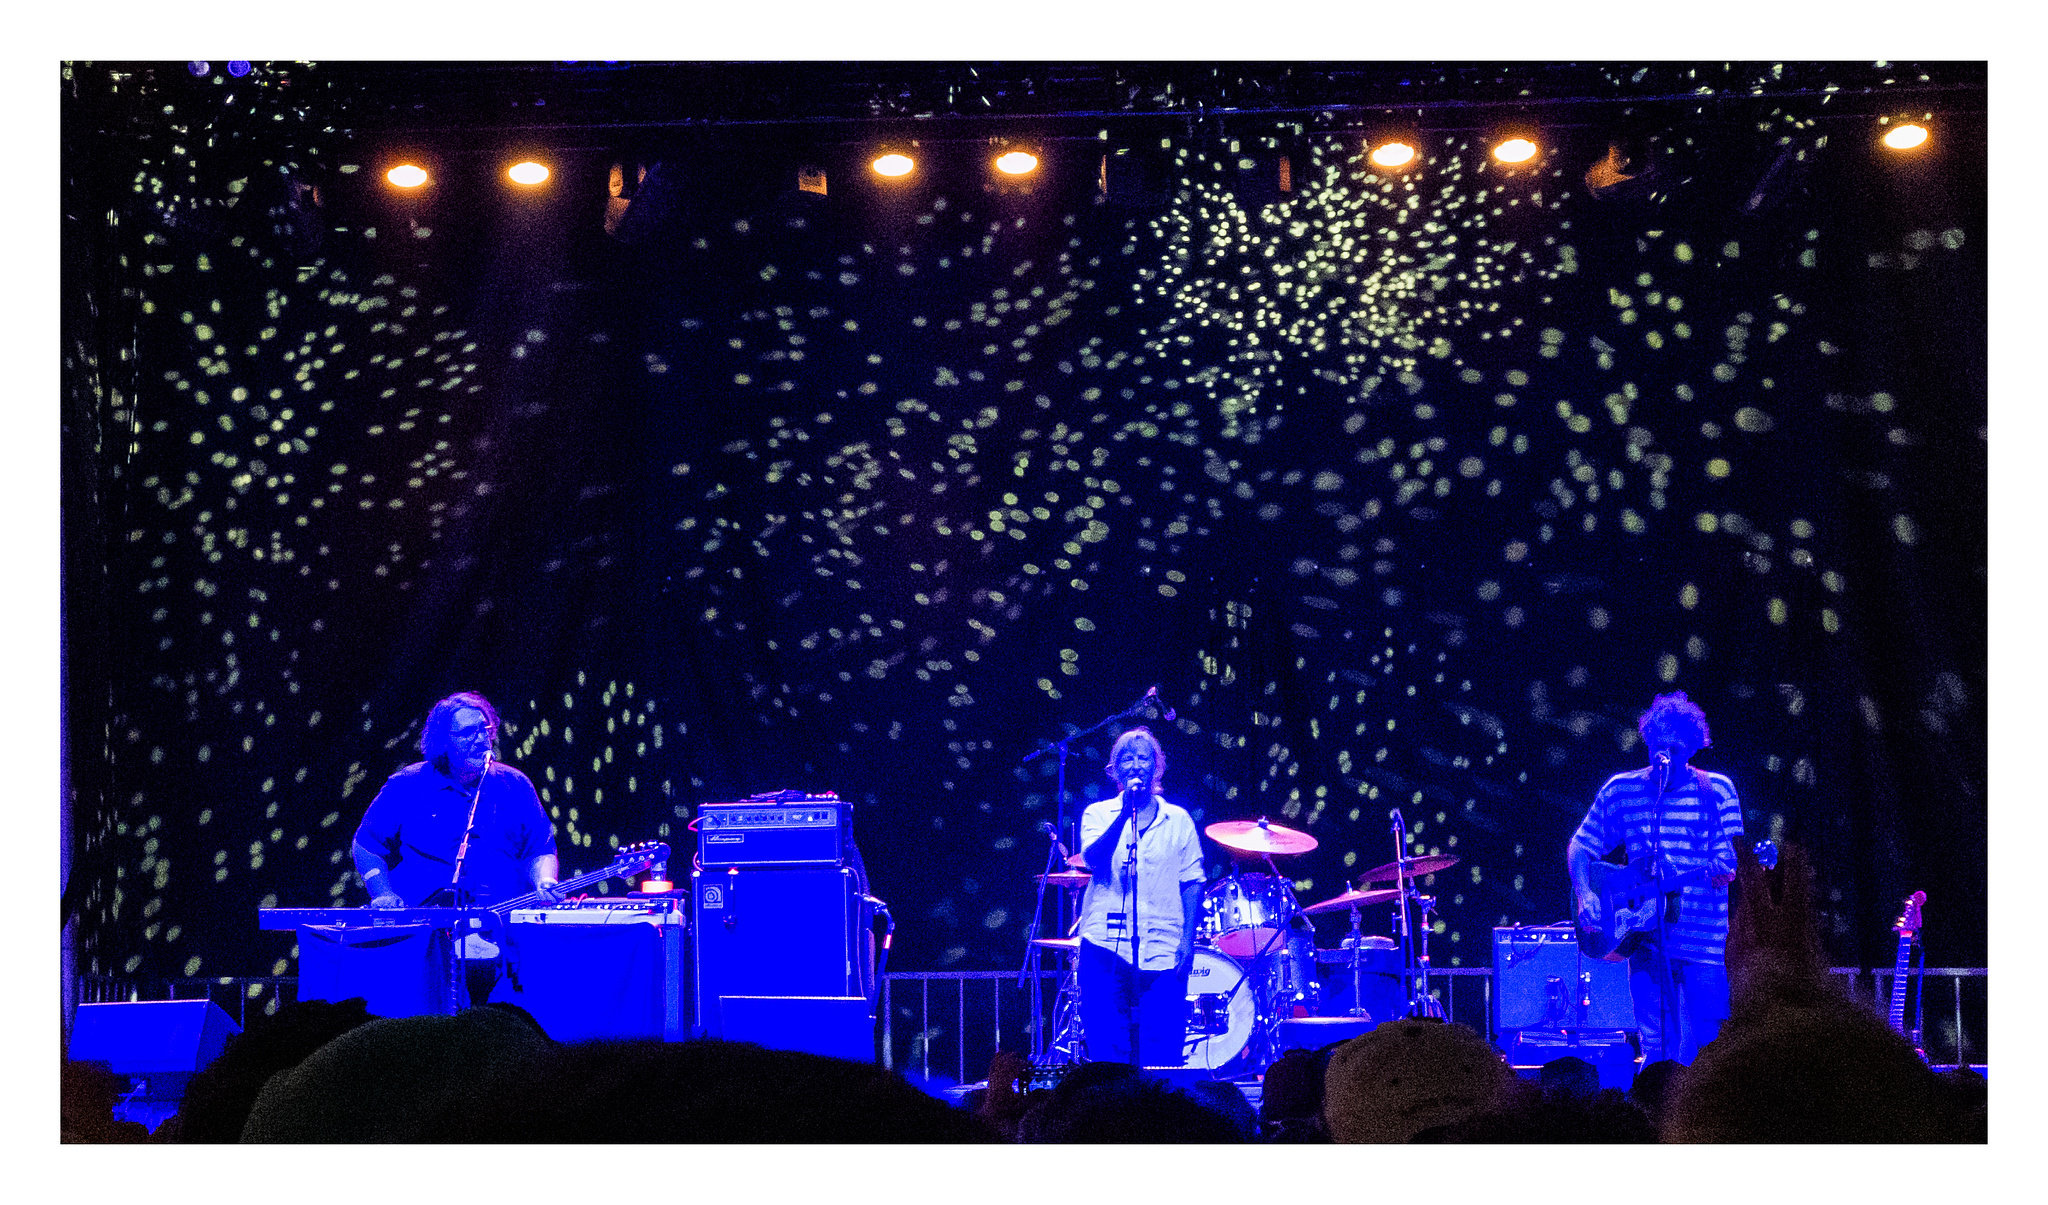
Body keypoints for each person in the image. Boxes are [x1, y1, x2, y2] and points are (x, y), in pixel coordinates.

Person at [1567, 690, 1744, 1065]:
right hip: (1646, 942)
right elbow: (1581, 846)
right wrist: (1586, 895)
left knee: (1710, 1048)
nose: (1664, 759)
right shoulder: (1622, 789)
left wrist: (1720, 872)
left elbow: (1727, 860)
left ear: (1694, 748)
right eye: (1657, 749)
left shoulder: (1718, 791)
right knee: (1657, 1050)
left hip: (1704, 944)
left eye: (1675, 751)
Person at [351, 692, 559, 1007]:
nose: (481, 739)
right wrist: (381, 891)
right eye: (467, 733)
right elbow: (366, 845)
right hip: (429, 943)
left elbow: (540, 848)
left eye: (485, 728)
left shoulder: (515, 785)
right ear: (442, 742)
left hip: (500, 940)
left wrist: (545, 880)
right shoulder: (408, 785)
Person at [1074, 726, 1205, 1067]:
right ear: (1114, 770)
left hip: (1164, 946)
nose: (1135, 764)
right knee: (1108, 1052)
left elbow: (1192, 881)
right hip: (1105, 946)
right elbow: (1094, 860)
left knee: (1163, 1051)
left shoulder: (1178, 820)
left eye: (1143, 757)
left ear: (1157, 767)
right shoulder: (1097, 814)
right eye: (1126, 758)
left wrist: (1188, 941)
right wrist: (1123, 815)